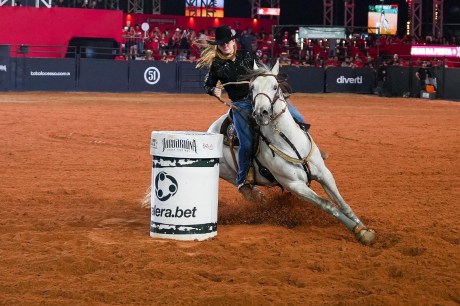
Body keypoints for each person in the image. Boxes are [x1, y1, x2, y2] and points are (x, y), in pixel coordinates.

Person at [196, 25, 307, 201]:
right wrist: (213, 90)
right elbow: (209, 84)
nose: (225, 46)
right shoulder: (217, 64)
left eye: (227, 42)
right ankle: (243, 180)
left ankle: (305, 152)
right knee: (246, 143)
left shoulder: (247, 56)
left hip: (259, 98)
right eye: (221, 43)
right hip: (241, 105)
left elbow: (262, 72)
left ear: (233, 42)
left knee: (297, 118)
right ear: (218, 45)